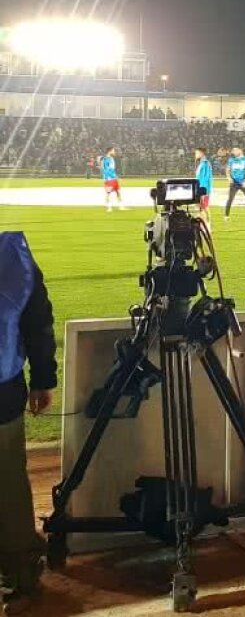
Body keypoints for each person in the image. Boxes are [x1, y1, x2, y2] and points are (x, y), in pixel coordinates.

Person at [0, 233, 56, 614]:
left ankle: (19, 568)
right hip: (3, 387)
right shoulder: (12, 254)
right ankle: (19, 571)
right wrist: (43, 378)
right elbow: (38, 319)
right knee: (8, 482)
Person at [224, 147, 245, 221]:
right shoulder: (231, 160)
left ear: (240, 150)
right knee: (230, 199)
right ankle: (226, 216)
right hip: (234, 183)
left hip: (243, 182)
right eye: (233, 150)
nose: (234, 152)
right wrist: (229, 178)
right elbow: (227, 170)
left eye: (235, 150)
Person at [101, 147, 126, 212]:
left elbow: (108, 169)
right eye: (113, 150)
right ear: (110, 151)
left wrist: (115, 177)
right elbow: (107, 170)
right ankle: (109, 208)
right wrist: (114, 177)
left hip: (112, 178)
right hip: (109, 179)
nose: (114, 152)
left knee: (118, 192)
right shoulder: (107, 159)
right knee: (108, 193)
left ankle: (121, 207)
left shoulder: (109, 158)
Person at [194, 147, 213, 224]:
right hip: (201, 188)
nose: (195, 155)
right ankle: (202, 224)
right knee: (200, 207)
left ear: (201, 153)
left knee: (204, 207)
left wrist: (203, 191)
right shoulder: (202, 163)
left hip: (203, 189)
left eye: (197, 153)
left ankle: (207, 225)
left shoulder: (205, 164)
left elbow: (205, 178)